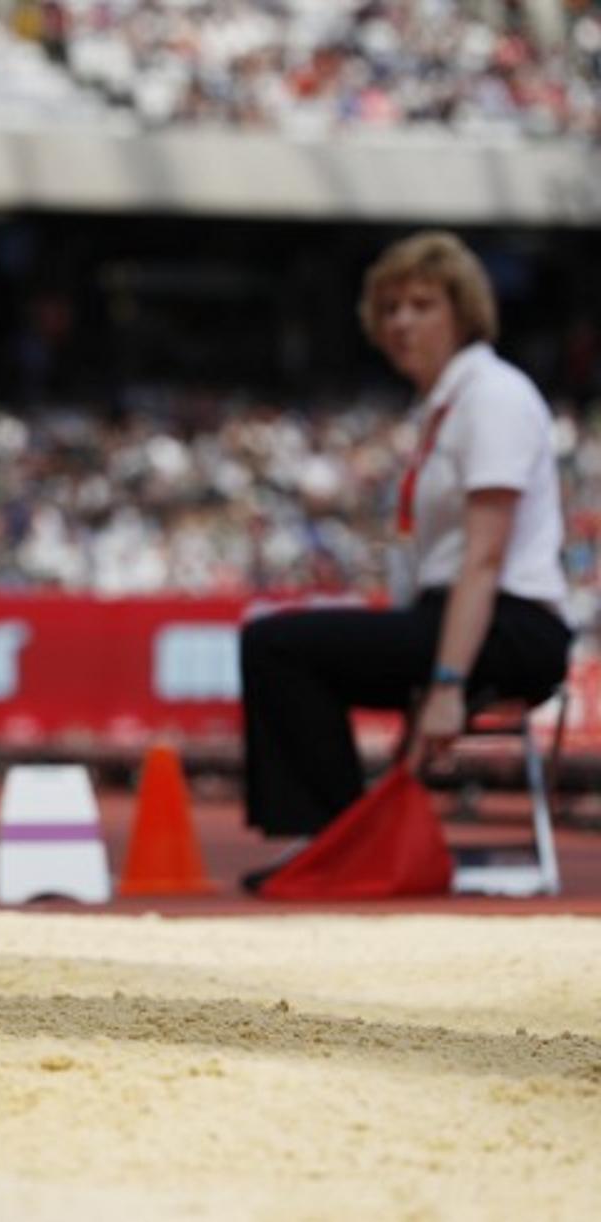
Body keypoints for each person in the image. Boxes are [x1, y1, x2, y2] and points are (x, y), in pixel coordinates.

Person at [237, 231, 572, 887]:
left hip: (512, 627)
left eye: (422, 305)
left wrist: (447, 684)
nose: (401, 322)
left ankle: (338, 842)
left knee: (276, 645)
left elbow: (484, 554)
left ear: (463, 312)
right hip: (455, 617)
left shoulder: (492, 396)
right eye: (389, 308)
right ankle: (338, 838)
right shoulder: (438, 410)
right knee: (287, 644)